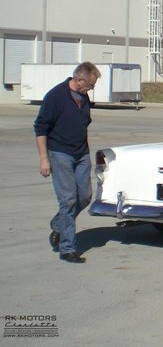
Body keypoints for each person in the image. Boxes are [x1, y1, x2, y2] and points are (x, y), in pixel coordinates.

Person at [34, 62, 101, 263]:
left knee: (85, 196)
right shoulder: (55, 97)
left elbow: (84, 123)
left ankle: (58, 224)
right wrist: (44, 158)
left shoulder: (84, 97)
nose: (92, 89)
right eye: (91, 85)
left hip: (81, 153)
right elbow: (40, 128)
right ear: (79, 80)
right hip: (60, 153)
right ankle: (67, 248)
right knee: (69, 200)